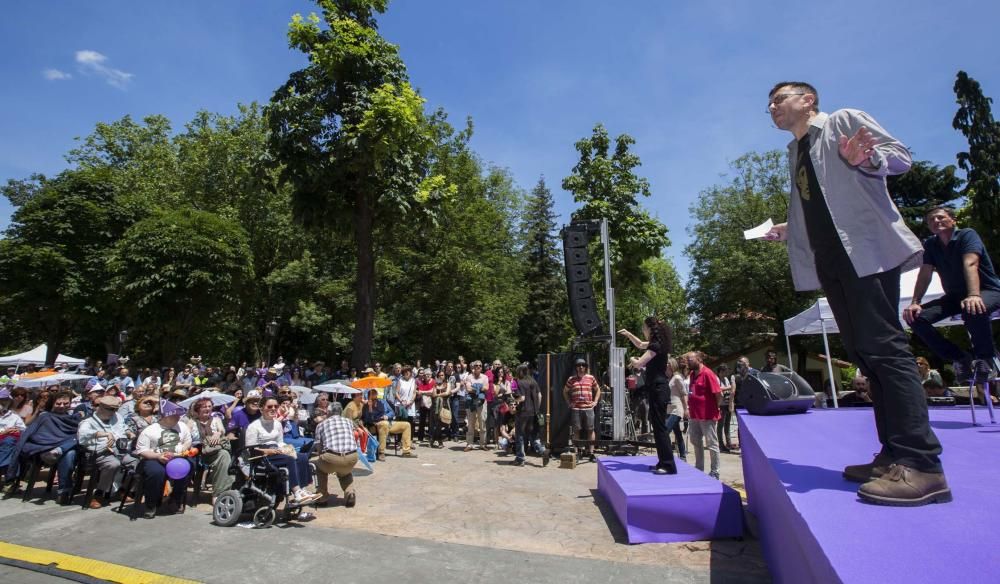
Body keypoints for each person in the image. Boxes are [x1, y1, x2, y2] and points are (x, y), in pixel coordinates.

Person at [764, 81, 949, 506]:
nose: (773, 107)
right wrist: (790, 230)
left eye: (780, 99)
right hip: (831, 262)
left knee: (886, 349)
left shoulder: (842, 121)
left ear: (808, 100)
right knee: (866, 355)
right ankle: (892, 456)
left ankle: (923, 465)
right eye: (769, 104)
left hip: (864, 252)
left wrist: (870, 158)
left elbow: (900, 159)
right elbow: (824, 204)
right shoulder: (796, 152)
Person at [904, 207, 1000, 382]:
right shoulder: (931, 245)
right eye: (931, 220)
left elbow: (971, 263)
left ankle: (986, 359)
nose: (936, 221)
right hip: (955, 297)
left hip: (987, 291)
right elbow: (924, 273)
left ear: (953, 220)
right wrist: (915, 302)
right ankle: (960, 358)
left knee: (973, 308)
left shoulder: (967, 235)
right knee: (915, 318)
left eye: (940, 217)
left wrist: (974, 295)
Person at [620, 317, 676, 475]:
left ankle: (668, 465)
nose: (643, 331)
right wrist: (628, 334)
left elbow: (639, 364)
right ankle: (662, 462)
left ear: (651, 329)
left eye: (644, 328)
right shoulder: (656, 344)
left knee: (660, 428)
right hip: (655, 388)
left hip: (659, 389)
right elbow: (639, 344)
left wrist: (632, 359)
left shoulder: (656, 345)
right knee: (657, 427)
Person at [6, 391, 80, 504]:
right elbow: (33, 434)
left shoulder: (71, 419)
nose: (62, 406)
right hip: (44, 448)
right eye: (58, 403)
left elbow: (76, 435)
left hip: (61, 449)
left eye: (66, 403)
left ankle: (63, 492)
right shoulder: (45, 416)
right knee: (69, 450)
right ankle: (64, 490)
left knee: (71, 451)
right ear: (52, 403)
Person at [244, 396, 320, 505]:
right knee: (289, 459)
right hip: (262, 456)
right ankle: (296, 492)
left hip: (277, 451)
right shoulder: (253, 426)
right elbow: (250, 449)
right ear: (261, 408)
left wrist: (288, 448)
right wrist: (267, 451)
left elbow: (280, 442)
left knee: (302, 456)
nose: (273, 409)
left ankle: (302, 489)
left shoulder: (277, 424)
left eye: (276, 406)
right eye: (269, 406)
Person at [133, 399, 194, 518]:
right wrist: (158, 456)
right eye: (175, 414)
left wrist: (182, 450)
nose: (178, 416)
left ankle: (175, 498)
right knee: (156, 472)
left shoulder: (182, 426)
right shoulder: (150, 431)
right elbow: (142, 450)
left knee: (188, 467)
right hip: (154, 458)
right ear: (166, 416)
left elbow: (188, 441)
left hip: (177, 457)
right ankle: (151, 504)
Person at [76, 395, 131, 509]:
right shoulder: (88, 421)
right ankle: (99, 493)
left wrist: (129, 433)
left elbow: (123, 428)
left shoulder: (117, 417)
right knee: (113, 464)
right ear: (101, 407)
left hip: (120, 450)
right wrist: (103, 434)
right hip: (99, 453)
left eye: (115, 409)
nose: (113, 412)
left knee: (137, 462)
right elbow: (82, 436)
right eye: (110, 409)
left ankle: (123, 490)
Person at [185, 397, 234, 503]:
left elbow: (222, 429)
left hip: (213, 450)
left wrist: (218, 433)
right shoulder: (191, 422)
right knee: (189, 464)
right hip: (196, 451)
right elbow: (185, 436)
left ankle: (218, 493)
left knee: (224, 455)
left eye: (209, 406)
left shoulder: (216, 420)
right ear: (198, 409)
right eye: (204, 406)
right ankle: (182, 496)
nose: (207, 409)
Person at [312, 402, 359, 507]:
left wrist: (322, 456)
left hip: (331, 457)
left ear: (328, 412)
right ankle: (350, 492)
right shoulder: (348, 422)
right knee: (345, 472)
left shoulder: (321, 425)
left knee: (319, 466)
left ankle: (322, 496)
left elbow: (318, 447)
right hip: (352, 456)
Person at [686, 352, 722, 479]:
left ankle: (715, 471)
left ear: (699, 359)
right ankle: (699, 467)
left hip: (707, 415)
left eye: (690, 360)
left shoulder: (708, 373)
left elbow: (718, 394)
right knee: (695, 441)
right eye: (687, 360)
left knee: (712, 443)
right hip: (695, 415)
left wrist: (715, 407)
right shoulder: (691, 375)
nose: (688, 362)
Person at [562, 358, 601, 462]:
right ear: (576, 367)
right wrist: (569, 402)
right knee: (576, 430)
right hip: (576, 409)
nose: (581, 367)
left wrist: (595, 401)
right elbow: (565, 391)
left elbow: (598, 389)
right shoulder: (571, 379)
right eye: (579, 365)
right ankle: (577, 453)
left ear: (586, 367)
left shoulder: (591, 378)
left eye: (583, 365)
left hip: (588, 408)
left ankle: (591, 453)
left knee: (590, 430)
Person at [512, 363, 549, 467]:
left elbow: (522, 398)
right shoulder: (533, 381)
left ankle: (520, 459)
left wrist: (514, 402)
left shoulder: (518, 382)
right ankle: (542, 451)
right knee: (533, 435)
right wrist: (537, 408)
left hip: (522, 412)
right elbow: (540, 395)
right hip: (534, 412)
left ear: (519, 372)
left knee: (520, 436)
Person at [360, 390, 416, 460]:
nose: (374, 395)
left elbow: (392, 412)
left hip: (388, 423)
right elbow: (367, 420)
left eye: (375, 394)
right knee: (384, 424)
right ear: (369, 396)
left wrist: (387, 416)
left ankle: (406, 451)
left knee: (406, 425)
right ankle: (381, 452)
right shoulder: (366, 406)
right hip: (375, 425)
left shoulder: (383, 402)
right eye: (372, 394)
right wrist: (370, 409)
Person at [0, 389, 27, 476]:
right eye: (1, 400)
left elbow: (24, 429)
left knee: (12, 444)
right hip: (5, 440)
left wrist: (18, 430)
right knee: (10, 444)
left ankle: (9, 478)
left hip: (9, 442)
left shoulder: (14, 416)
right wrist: (4, 432)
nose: (3, 403)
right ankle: (10, 478)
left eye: (5, 400)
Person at [666, 357, 688, 460]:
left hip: (676, 409)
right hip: (669, 409)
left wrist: (686, 409)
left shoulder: (677, 378)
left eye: (667, 364)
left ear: (671, 365)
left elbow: (684, 394)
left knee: (665, 431)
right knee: (677, 433)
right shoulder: (667, 378)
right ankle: (683, 455)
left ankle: (668, 455)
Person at [463, 362, 489, 451]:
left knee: (482, 422)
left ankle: (483, 444)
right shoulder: (469, 377)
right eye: (476, 365)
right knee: (471, 423)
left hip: (481, 402)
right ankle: (469, 444)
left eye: (480, 365)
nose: (478, 367)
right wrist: (479, 388)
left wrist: (475, 387)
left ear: (482, 367)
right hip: (471, 401)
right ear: (473, 367)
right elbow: (468, 389)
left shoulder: (485, 377)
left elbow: (486, 388)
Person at [716, 364, 735, 452]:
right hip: (721, 405)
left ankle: (728, 442)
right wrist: (729, 387)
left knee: (727, 425)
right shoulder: (717, 379)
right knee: (720, 426)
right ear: (720, 371)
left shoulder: (726, 379)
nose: (726, 373)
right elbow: (717, 389)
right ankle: (720, 444)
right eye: (724, 371)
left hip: (728, 404)